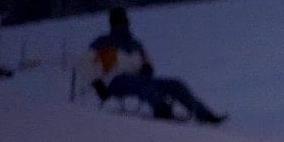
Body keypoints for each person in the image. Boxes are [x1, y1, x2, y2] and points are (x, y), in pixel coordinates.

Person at [83, 8, 226, 124]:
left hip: (140, 79)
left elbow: (147, 61)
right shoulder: (102, 43)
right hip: (115, 81)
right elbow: (87, 64)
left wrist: (147, 66)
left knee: (175, 84)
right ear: (113, 23)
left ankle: (204, 114)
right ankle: (161, 109)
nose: (122, 24)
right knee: (143, 84)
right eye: (119, 21)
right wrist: (97, 84)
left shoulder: (135, 44)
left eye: (123, 21)